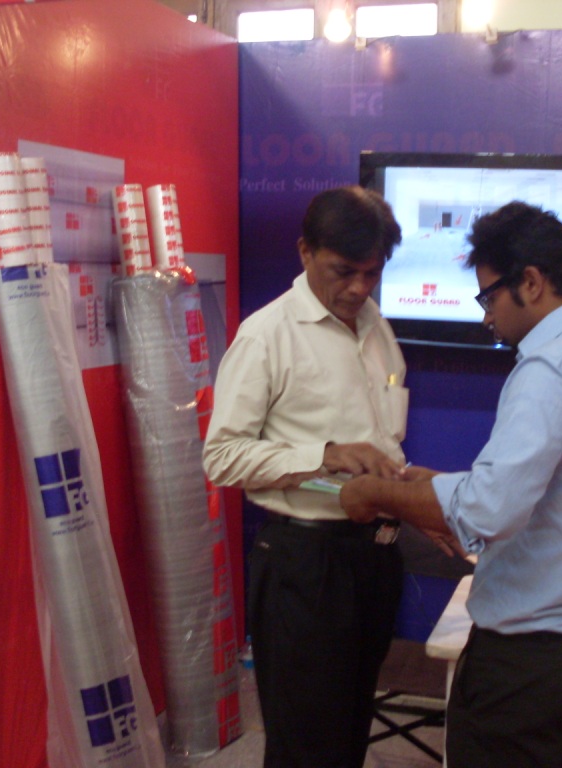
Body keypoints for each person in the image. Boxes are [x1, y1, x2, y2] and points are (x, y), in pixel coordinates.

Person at [339, 201, 562, 768]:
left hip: (531, 659)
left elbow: (489, 511)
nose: (486, 318)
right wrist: (439, 487)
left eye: (488, 298)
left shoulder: (550, 368)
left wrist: (375, 493)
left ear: (531, 283)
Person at [202, 186, 409, 768]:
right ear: (305, 252)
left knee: (349, 732)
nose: (360, 288)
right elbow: (222, 457)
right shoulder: (267, 335)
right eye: (344, 271)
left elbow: (383, 438)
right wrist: (326, 455)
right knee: (305, 743)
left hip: (373, 557)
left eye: (373, 273)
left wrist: (403, 485)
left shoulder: (376, 327)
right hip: (305, 564)